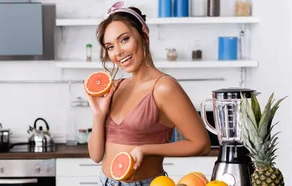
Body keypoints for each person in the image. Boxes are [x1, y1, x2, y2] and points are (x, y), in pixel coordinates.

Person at [86, 1, 211, 185]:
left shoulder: (164, 87)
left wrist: (145, 149)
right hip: (104, 182)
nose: (118, 52)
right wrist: (98, 114)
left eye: (124, 39)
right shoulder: (117, 86)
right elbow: (96, 156)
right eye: (110, 46)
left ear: (144, 34)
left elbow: (201, 144)